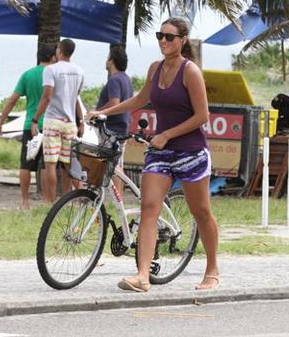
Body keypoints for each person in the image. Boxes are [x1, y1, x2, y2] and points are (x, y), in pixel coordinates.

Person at [86, 17, 219, 292]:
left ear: (182, 41)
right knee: (149, 210)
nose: (163, 41)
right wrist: (104, 112)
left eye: (169, 37)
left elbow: (202, 116)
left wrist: (168, 134)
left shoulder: (190, 71)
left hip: (191, 153)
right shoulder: (155, 68)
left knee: (201, 212)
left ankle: (212, 270)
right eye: (160, 35)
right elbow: (139, 99)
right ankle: (143, 276)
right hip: (160, 153)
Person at [0, 45, 57, 210]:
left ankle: (25, 201)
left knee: (26, 164)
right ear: (52, 57)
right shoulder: (54, 74)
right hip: (50, 124)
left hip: (30, 125)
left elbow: (12, 100)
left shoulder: (27, 75)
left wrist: (0, 121)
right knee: (46, 164)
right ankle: (46, 200)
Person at [31, 39, 85, 200]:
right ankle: (66, 199)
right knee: (68, 164)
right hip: (70, 123)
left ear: (60, 51)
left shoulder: (50, 70)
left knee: (51, 164)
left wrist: (35, 119)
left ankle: (50, 201)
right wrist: (81, 122)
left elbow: (47, 97)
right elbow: (76, 98)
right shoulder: (79, 71)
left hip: (53, 121)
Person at [95, 45, 133, 193]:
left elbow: (114, 102)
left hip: (111, 128)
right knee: (118, 163)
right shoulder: (126, 79)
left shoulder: (114, 80)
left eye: (107, 58)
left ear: (112, 61)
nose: (106, 61)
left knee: (110, 164)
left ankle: (110, 196)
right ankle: (119, 198)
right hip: (123, 127)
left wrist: (97, 112)